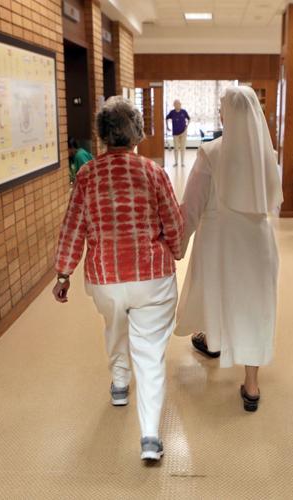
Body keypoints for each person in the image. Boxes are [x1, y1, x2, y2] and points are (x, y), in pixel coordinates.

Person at [53, 96, 184, 461]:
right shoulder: (153, 172)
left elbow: (73, 227)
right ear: (136, 132)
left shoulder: (87, 174)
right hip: (151, 277)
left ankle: (120, 384)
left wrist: (63, 272)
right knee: (150, 352)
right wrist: (175, 249)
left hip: (105, 277)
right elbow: (172, 221)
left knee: (114, 327)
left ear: (102, 135)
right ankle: (149, 437)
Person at [175, 86, 283, 412]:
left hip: (220, 241)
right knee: (255, 304)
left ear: (229, 114)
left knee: (215, 290)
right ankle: (251, 384)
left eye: (222, 109)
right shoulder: (268, 154)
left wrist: (179, 243)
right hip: (259, 242)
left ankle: (212, 341)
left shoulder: (211, 152)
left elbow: (191, 206)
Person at [166, 100, 190, 167]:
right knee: (176, 148)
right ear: (174, 105)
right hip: (175, 133)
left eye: (179, 104)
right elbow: (166, 118)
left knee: (182, 148)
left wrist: (187, 127)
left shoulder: (184, 111)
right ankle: (176, 162)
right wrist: (167, 126)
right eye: (176, 104)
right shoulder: (172, 112)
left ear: (180, 104)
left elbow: (189, 119)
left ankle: (182, 162)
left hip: (183, 132)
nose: (178, 105)